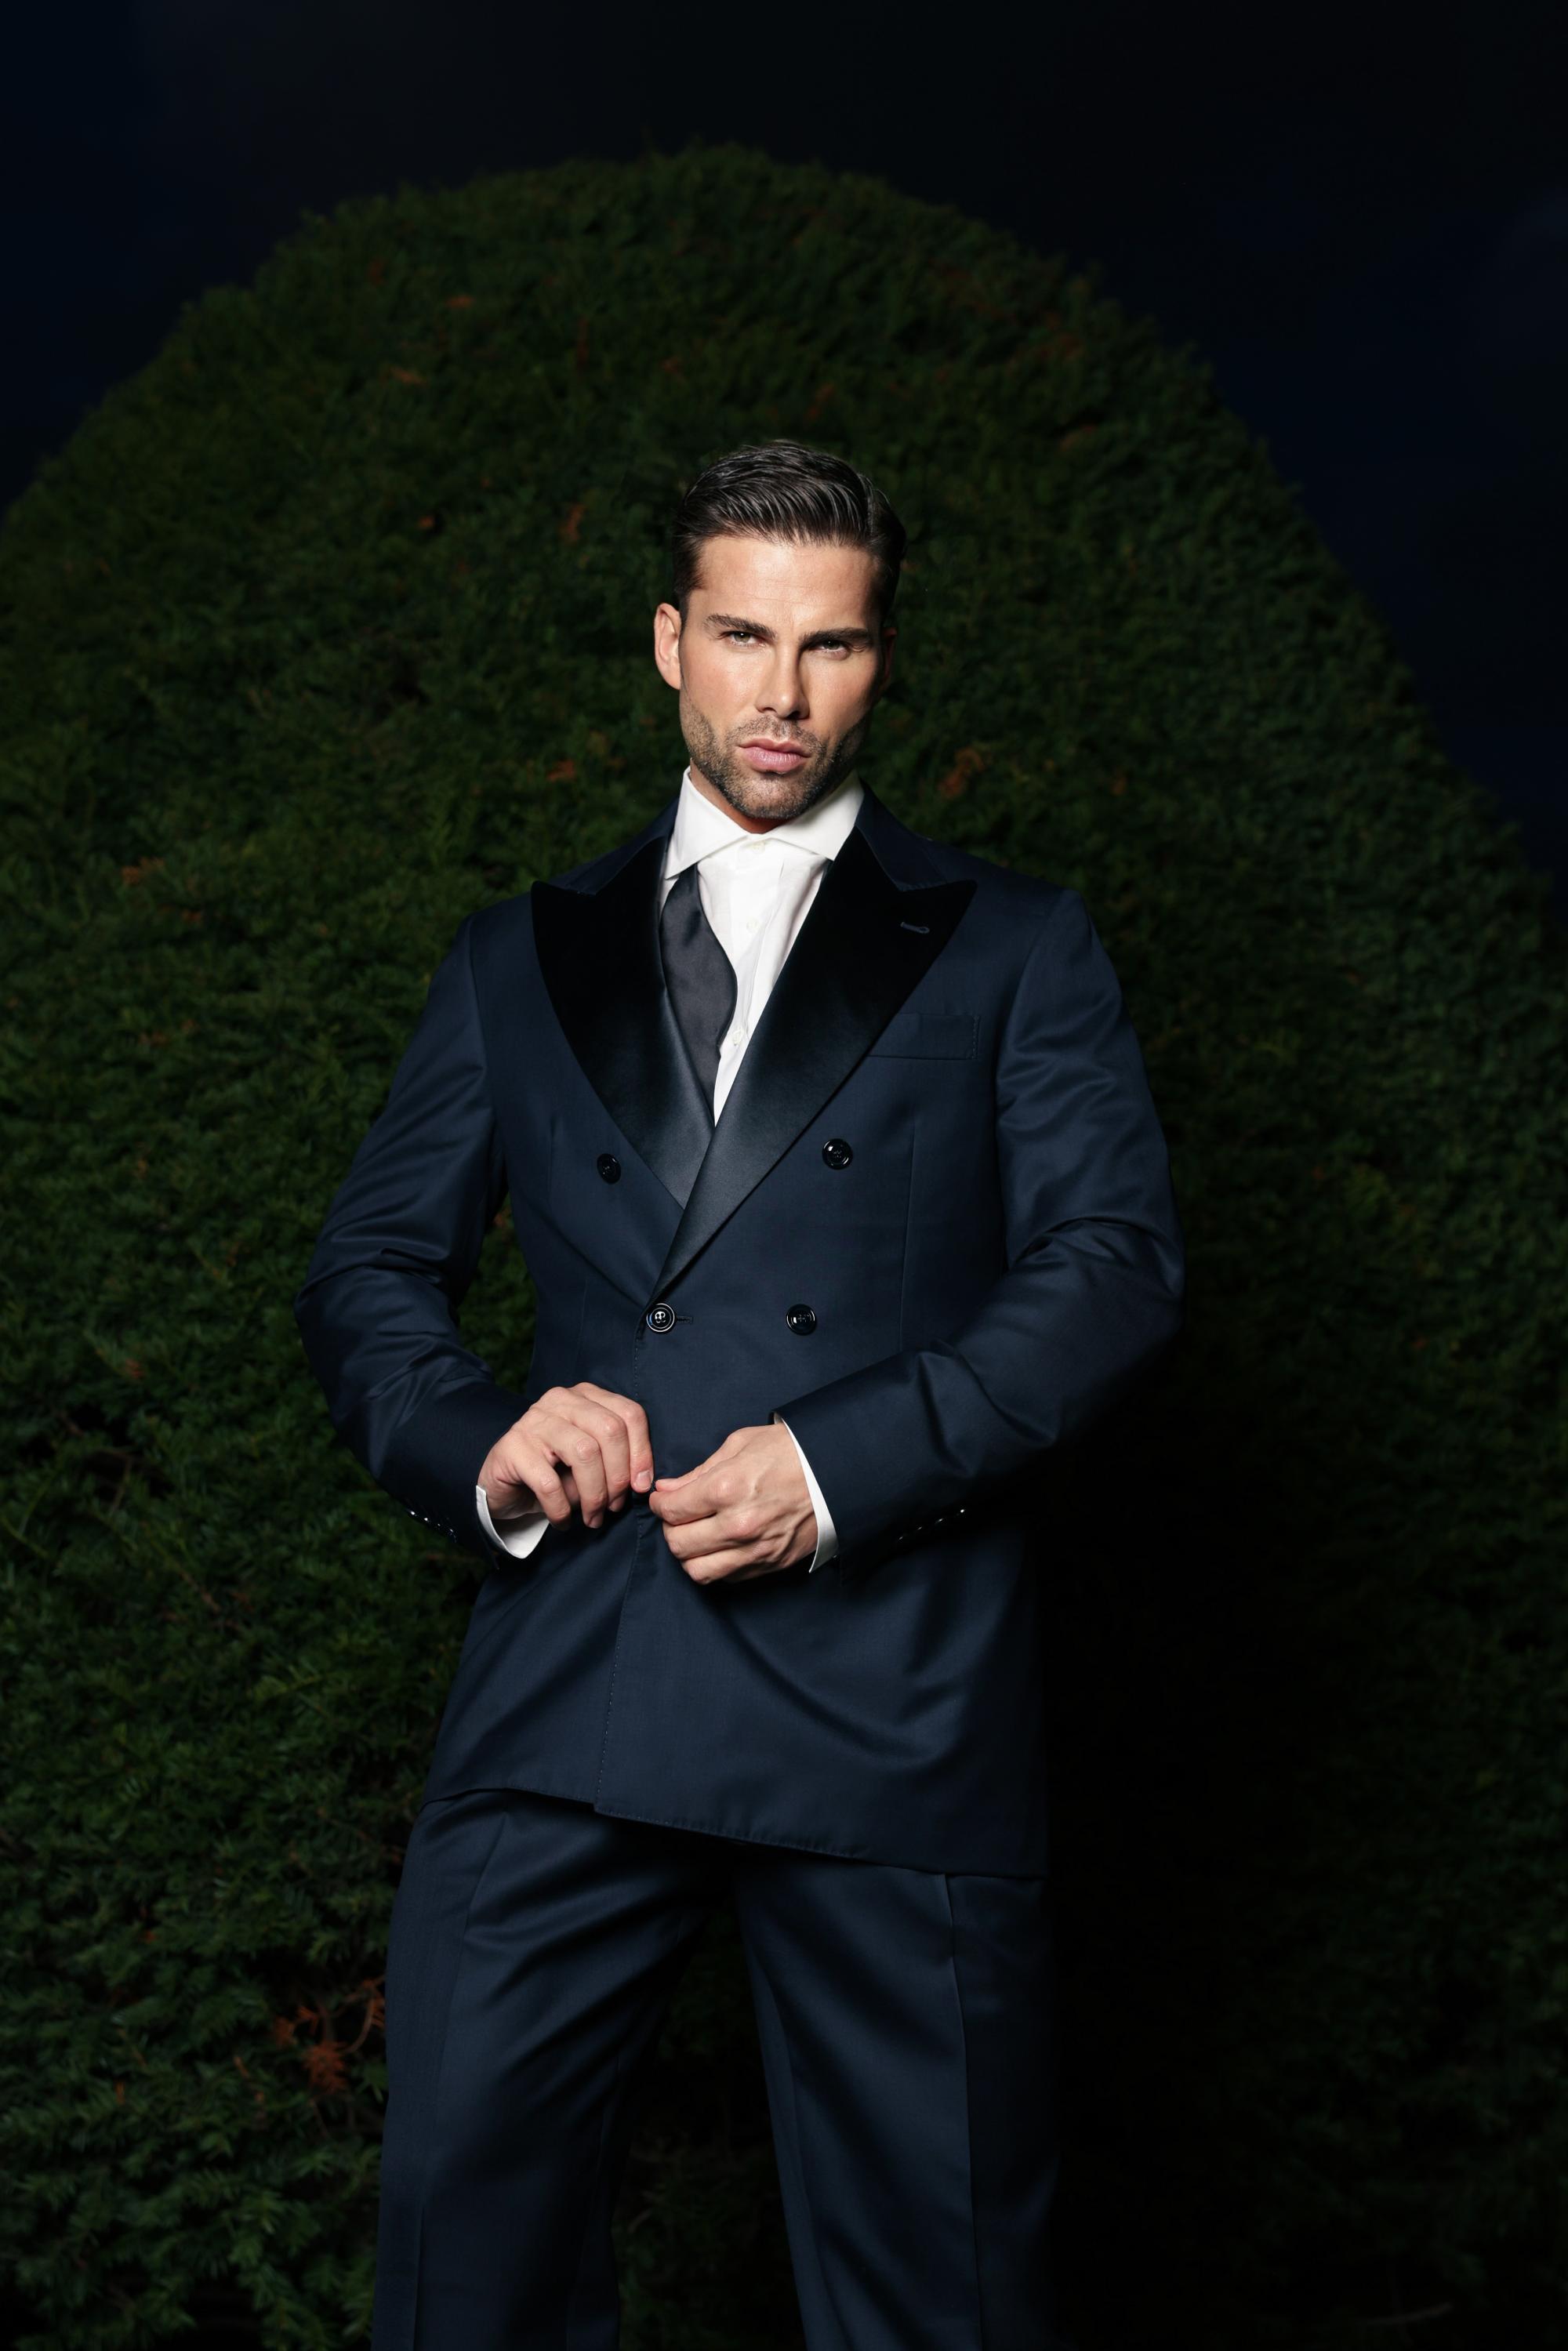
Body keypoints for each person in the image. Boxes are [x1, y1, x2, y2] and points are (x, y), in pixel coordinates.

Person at [294, 437, 1185, 2350]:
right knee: (463, 2261)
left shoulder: (1016, 943)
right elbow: (366, 1271)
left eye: (830, 645)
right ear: (667, 641)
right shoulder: (516, 954)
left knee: (937, 2298)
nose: (782, 692)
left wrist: (836, 1467)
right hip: (574, 1669)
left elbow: (1111, 1273)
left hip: (894, 1687)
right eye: (741, 636)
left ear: (880, 662)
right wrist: (483, 1435)